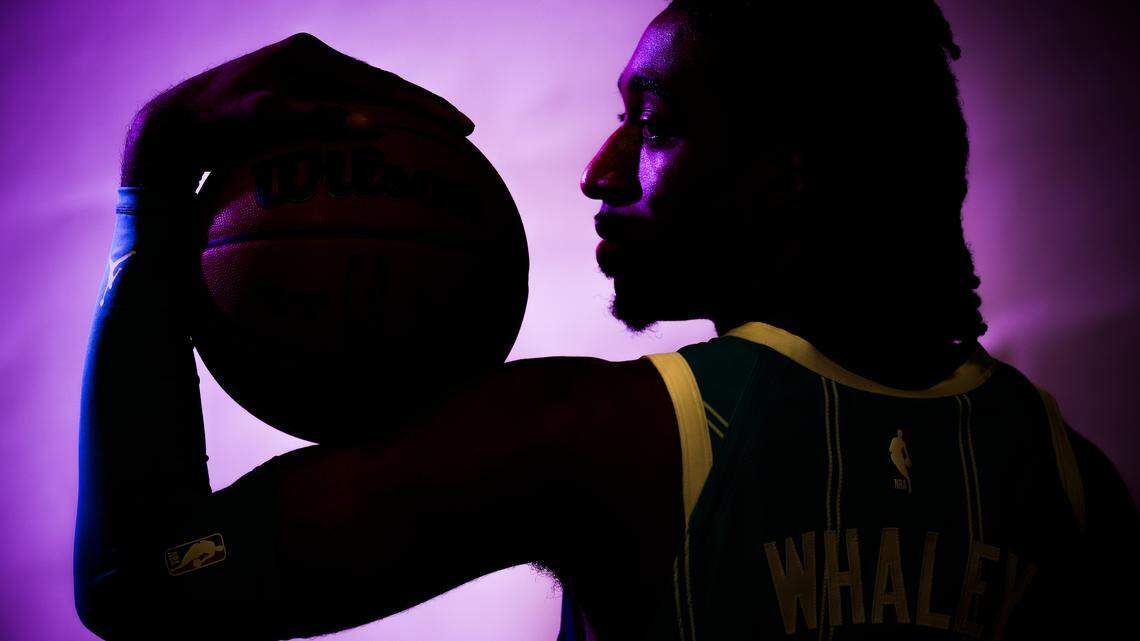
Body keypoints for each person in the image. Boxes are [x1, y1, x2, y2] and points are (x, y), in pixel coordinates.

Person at [74, 1, 1139, 640]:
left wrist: (156, 166)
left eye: (656, 122)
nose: (600, 172)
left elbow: (144, 579)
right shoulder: (1081, 487)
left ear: (786, 176)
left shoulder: (599, 433)